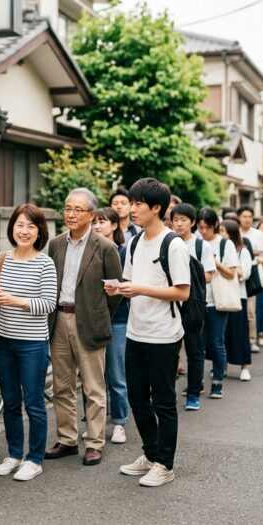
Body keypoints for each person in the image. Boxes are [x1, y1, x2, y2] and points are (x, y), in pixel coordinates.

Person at [107, 178, 189, 487]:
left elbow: (182, 292)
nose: (132, 208)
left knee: (163, 402)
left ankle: (165, 464)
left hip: (164, 335)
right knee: (138, 398)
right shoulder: (135, 242)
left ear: (156, 208)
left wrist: (142, 288)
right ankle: (151, 453)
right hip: (135, 332)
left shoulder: (173, 244)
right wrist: (119, 287)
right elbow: (130, 280)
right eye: (132, 202)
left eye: (138, 203)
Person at [45, 188, 122, 467]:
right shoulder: (55, 244)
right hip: (59, 319)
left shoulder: (105, 247)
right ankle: (66, 439)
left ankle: (94, 442)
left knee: (93, 388)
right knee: (61, 386)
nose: (71, 214)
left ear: (91, 214)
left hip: (88, 321)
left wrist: (97, 314)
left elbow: (116, 291)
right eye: (67, 208)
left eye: (77, 209)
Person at [0, 204, 57, 481]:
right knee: (10, 401)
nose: (24, 231)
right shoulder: (1, 258)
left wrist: (15, 300)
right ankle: (14, 454)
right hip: (3, 339)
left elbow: (49, 304)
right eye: (20, 224)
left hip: (32, 344)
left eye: (31, 226)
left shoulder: (45, 263)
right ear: (12, 227)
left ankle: (35, 458)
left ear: (39, 231)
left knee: (34, 403)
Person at [169, 203, 215, 411]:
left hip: (193, 304)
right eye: (175, 220)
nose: (179, 224)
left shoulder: (200, 246)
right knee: (169, 351)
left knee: (195, 350)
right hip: (169, 303)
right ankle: (167, 393)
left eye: (183, 220)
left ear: (193, 222)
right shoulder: (167, 242)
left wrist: (184, 277)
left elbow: (209, 275)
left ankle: (193, 394)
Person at [92, 208, 129, 443]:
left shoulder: (124, 252)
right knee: (93, 377)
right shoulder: (89, 250)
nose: (97, 226)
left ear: (115, 225)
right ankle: (95, 423)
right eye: (94, 222)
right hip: (93, 319)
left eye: (102, 222)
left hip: (118, 318)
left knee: (116, 374)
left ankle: (119, 423)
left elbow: (130, 285)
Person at [197, 208, 238, 400]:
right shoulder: (194, 242)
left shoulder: (224, 244)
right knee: (197, 345)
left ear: (215, 225)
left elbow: (231, 273)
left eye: (207, 227)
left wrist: (215, 262)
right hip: (197, 301)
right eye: (200, 227)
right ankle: (197, 382)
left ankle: (217, 382)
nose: (203, 231)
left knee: (216, 343)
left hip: (217, 301)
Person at [221, 220, 252, 382]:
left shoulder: (243, 251)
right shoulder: (219, 249)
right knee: (223, 333)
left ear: (231, 233)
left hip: (238, 296)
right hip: (221, 295)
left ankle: (245, 367)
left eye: (224, 231)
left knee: (240, 332)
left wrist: (231, 269)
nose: (221, 233)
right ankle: (222, 366)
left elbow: (245, 274)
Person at [236, 206, 263, 352]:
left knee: (250, 311)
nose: (247, 219)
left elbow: (260, 250)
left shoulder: (257, 233)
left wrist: (244, 248)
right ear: (239, 217)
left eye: (250, 216)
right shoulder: (234, 231)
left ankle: (252, 340)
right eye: (244, 216)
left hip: (251, 271)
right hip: (234, 271)